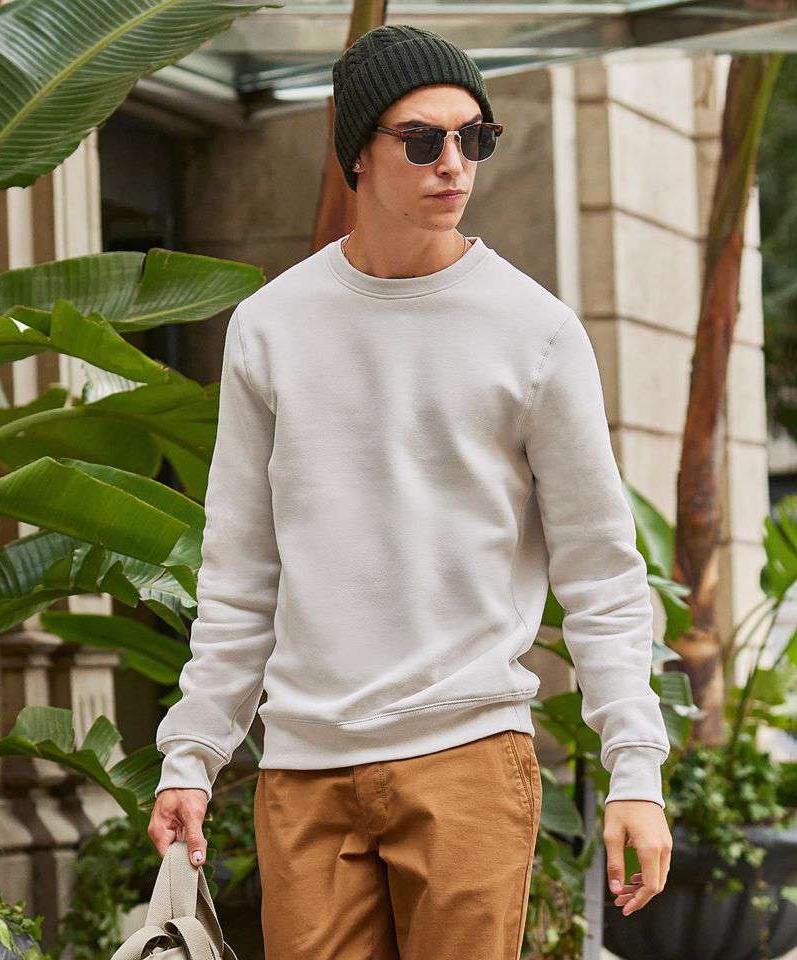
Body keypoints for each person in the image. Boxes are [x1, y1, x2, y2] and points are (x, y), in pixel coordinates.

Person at [147, 23, 672, 959]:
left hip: (468, 757)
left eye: (474, 137)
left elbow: (601, 572)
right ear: (356, 152)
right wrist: (192, 754)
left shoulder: (536, 332)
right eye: (423, 140)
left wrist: (635, 769)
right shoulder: (271, 328)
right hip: (306, 769)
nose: (454, 164)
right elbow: (240, 571)